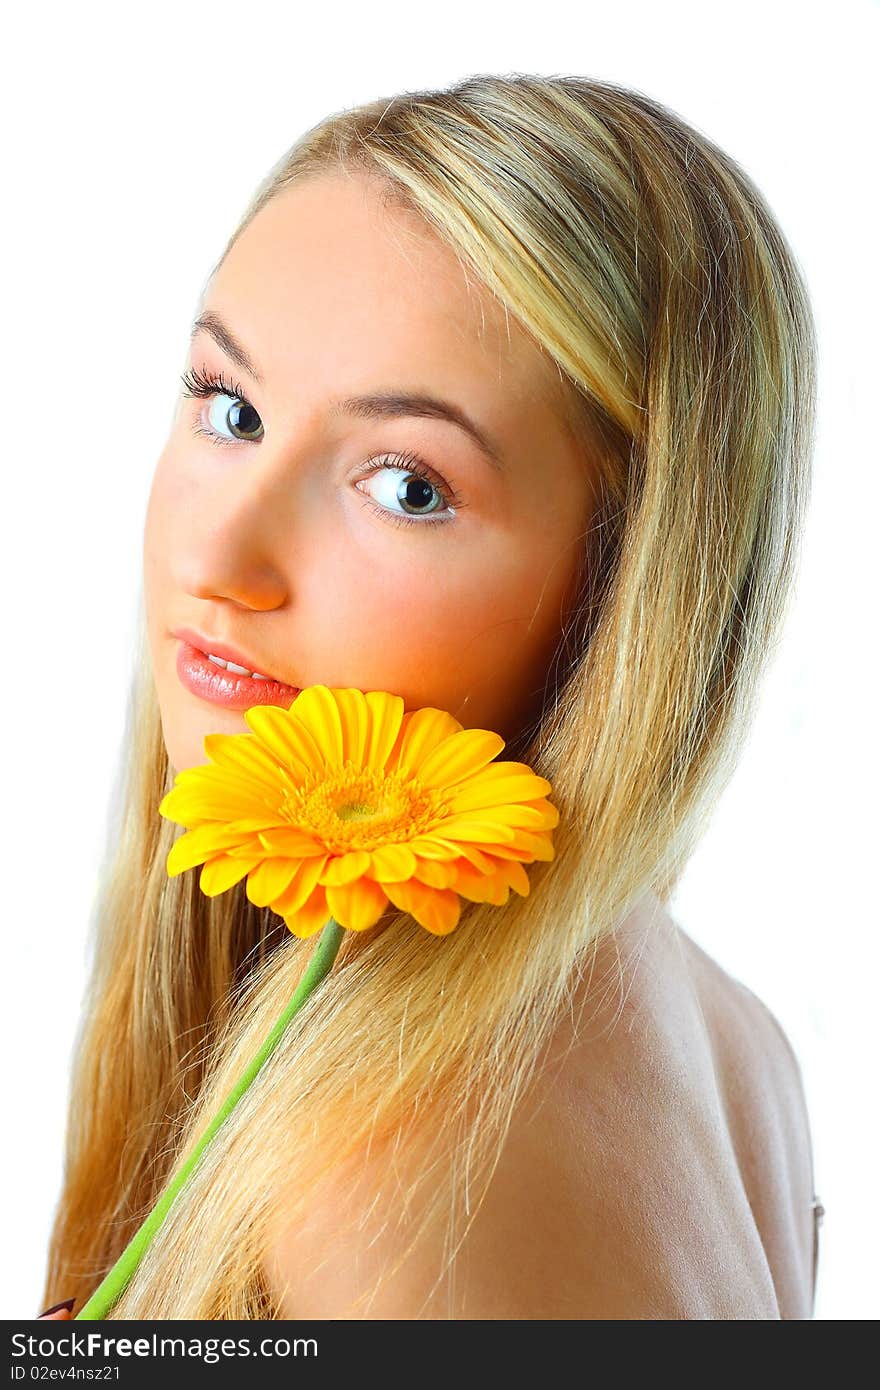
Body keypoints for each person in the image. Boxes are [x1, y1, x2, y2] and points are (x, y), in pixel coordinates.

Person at [38, 73, 820, 1320]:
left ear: (623, 588)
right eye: (229, 409)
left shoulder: (384, 1146)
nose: (220, 559)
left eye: (405, 484)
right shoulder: (737, 1041)